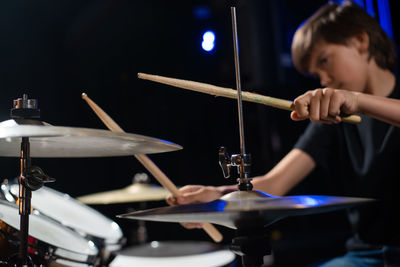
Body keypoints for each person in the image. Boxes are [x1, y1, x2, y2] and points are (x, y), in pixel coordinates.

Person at [167, 1, 400, 266]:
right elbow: (276, 183)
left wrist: (357, 100)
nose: (323, 80)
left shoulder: (353, 103)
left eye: (325, 61)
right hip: (366, 256)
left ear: (360, 40)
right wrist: (218, 195)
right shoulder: (334, 120)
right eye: (316, 73)